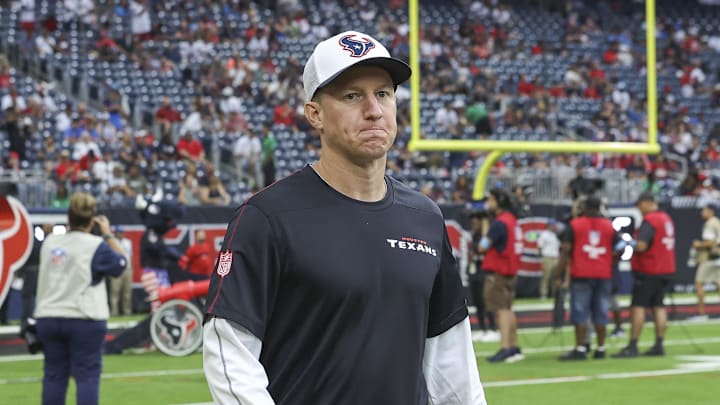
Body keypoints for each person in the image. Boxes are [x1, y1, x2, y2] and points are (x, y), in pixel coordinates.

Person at [203, 30, 485, 404]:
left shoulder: (425, 218)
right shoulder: (267, 217)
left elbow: (452, 360)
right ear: (315, 114)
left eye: (383, 94)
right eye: (352, 95)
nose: (373, 110)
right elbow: (229, 352)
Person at [34, 192, 127, 405]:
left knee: (54, 377)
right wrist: (107, 234)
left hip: (49, 316)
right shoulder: (96, 245)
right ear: (92, 218)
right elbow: (122, 263)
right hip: (84, 317)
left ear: (68, 216)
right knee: (87, 376)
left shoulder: (50, 243)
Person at [554, 196, 619, 360]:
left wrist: (558, 274)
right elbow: (620, 248)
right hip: (603, 274)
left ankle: (581, 348)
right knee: (601, 311)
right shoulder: (609, 226)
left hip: (581, 273)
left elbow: (566, 250)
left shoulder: (575, 225)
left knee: (580, 311)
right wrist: (610, 263)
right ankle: (601, 348)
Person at [613, 192, 676, 358]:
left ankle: (633, 345)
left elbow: (641, 245)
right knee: (658, 306)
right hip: (666, 269)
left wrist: (628, 242)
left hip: (649, 269)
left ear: (647, 203)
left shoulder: (651, 220)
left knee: (638, 306)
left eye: (640, 205)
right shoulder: (666, 218)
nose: (639, 209)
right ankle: (659, 344)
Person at [478, 188, 523, 363]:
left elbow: (482, 246)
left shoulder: (499, 223)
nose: (488, 204)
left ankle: (505, 348)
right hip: (511, 270)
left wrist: (484, 225)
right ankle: (513, 346)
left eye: (490, 200)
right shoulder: (512, 220)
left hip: (498, 272)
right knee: (508, 308)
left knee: (501, 310)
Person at [468, 210, 498, 342]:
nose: (474, 224)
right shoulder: (473, 235)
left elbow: (483, 248)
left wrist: (485, 226)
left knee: (487, 301)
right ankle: (483, 329)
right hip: (475, 271)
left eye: (477, 222)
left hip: (485, 271)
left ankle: (493, 328)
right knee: (478, 302)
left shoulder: (488, 235)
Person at [689, 203, 720, 320]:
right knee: (718, 285)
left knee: (699, 283)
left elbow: (710, 242)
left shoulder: (710, 223)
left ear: (711, 211)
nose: (702, 212)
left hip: (710, 257)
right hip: (717, 257)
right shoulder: (717, 222)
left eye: (705, 210)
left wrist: (698, 245)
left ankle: (701, 313)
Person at [109, 226, 134, 316]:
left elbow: (131, 256)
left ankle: (127, 312)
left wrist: (132, 268)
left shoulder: (128, 242)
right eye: (119, 232)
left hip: (127, 269)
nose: (121, 234)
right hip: (116, 269)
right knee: (115, 292)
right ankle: (114, 312)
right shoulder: (112, 242)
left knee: (127, 292)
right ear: (115, 233)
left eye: (122, 232)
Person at [537, 219, 561, 300]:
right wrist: (542, 257)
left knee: (556, 277)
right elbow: (540, 246)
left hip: (556, 258)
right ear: (548, 225)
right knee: (546, 277)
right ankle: (543, 295)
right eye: (553, 225)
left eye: (555, 225)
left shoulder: (557, 235)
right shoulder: (544, 234)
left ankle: (555, 295)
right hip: (547, 258)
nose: (554, 226)